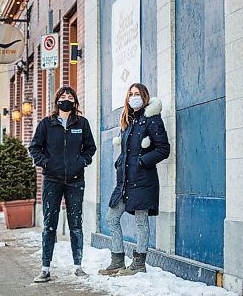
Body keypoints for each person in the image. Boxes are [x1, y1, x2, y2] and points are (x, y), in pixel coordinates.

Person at [98, 83, 170, 276]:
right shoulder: (128, 120)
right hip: (124, 181)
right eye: (131, 94)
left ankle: (139, 263)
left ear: (144, 96)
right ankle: (117, 260)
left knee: (141, 221)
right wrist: (120, 162)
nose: (133, 97)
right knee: (111, 218)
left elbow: (164, 149)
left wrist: (142, 161)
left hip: (143, 179)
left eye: (137, 94)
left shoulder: (152, 119)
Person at [29, 86, 97, 282]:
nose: (66, 99)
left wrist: (81, 162)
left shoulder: (81, 124)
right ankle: (45, 269)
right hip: (52, 180)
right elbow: (35, 148)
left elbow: (90, 147)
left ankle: (78, 266)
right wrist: (46, 163)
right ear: (57, 100)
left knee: (76, 224)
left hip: (75, 181)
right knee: (49, 224)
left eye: (70, 96)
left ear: (75, 102)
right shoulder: (46, 124)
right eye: (63, 96)